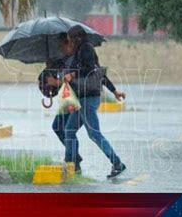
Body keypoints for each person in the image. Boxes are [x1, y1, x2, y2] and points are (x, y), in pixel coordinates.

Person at [49, 26, 127, 179]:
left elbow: (91, 70)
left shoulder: (86, 49)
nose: (69, 41)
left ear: (77, 38)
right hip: (82, 99)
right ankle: (72, 164)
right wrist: (115, 91)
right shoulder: (79, 52)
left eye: (71, 39)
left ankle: (117, 163)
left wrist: (72, 74)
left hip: (89, 98)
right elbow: (99, 73)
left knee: (94, 134)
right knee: (69, 130)